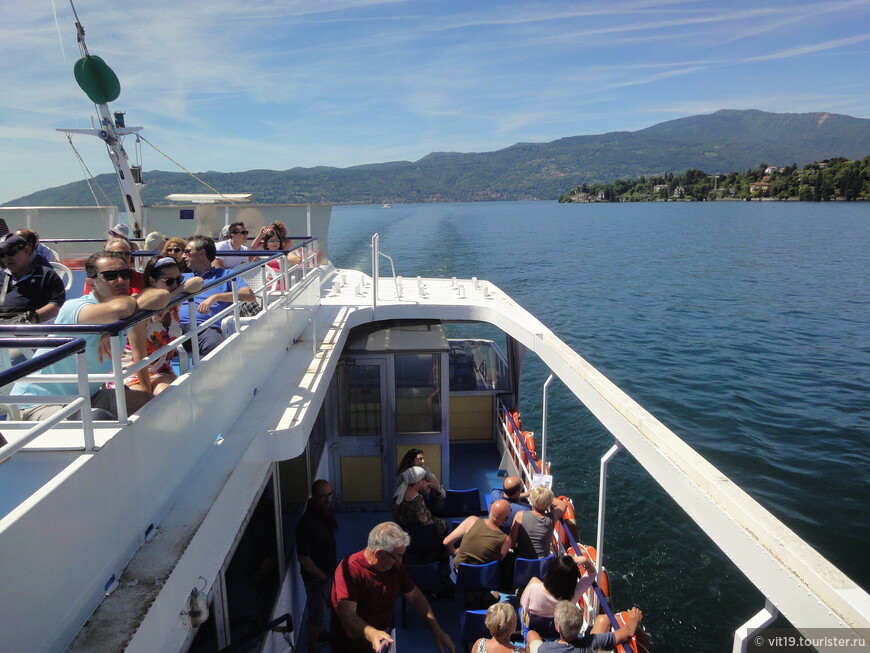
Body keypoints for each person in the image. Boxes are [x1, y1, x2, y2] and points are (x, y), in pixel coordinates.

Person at [11, 250, 170, 421]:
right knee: (98, 419)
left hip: (86, 396)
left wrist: (115, 321)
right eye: (110, 275)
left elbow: (162, 294)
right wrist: (124, 312)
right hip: (37, 402)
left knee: (149, 404)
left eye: (125, 274)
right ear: (91, 283)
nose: (120, 280)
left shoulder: (126, 310)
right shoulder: (75, 308)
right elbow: (120, 309)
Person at [331, 521, 455, 653]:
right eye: (398, 556)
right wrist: (372, 634)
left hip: (383, 642)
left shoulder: (395, 566)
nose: (400, 561)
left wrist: (436, 629)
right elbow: (347, 616)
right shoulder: (350, 571)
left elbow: (415, 597)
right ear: (378, 554)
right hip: (353, 648)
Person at [124, 256, 203, 395]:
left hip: (161, 371)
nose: (175, 284)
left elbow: (198, 281)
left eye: (178, 280)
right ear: (152, 280)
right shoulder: (140, 305)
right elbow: (139, 359)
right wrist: (146, 392)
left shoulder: (173, 304)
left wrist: (171, 297)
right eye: (169, 281)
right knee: (140, 403)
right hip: (133, 372)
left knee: (167, 398)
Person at [179, 235, 256, 357]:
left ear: (202, 253)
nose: (183, 256)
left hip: (204, 329)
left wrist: (216, 297)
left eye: (187, 251)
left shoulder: (226, 275)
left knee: (214, 348)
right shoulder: (183, 278)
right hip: (177, 328)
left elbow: (249, 295)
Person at [297, 479, 338, 652]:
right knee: (316, 616)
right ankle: (312, 649)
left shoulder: (323, 514)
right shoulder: (306, 523)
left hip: (326, 574)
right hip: (316, 580)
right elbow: (304, 558)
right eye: (323, 496)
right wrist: (322, 577)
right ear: (314, 497)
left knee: (323, 611)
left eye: (330, 495)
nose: (328, 500)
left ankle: (321, 635)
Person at [526, 601, 643, 653]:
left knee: (531, 634)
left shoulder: (545, 649)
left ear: (559, 628)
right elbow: (628, 632)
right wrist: (634, 619)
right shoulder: (592, 643)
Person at [0, 234, 65, 324]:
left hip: (31, 330)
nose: (6, 258)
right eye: (2, 255)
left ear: (26, 251)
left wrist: (33, 318)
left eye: (11, 252)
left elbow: (57, 304)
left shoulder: (47, 275)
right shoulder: (1, 276)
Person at [520, 555, 597, 624]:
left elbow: (522, 604)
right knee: (535, 580)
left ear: (551, 572)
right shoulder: (574, 595)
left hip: (533, 628)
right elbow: (592, 575)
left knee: (534, 580)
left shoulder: (533, 589)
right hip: (554, 631)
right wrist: (585, 561)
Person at [444, 499, 512, 569]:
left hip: (459, 573)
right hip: (483, 576)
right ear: (506, 519)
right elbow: (500, 559)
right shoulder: (506, 540)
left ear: (490, 507)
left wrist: (454, 552)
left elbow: (446, 542)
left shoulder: (471, 520)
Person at [510, 485, 567, 560]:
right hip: (543, 562)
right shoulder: (551, 518)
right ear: (548, 502)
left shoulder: (520, 515)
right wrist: (546, 497)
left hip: (523, 563)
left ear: (532, 499)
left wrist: (538, 496)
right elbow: (563, 505)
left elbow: (512, 543)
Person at [392, 466, 446, 537]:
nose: (426, 481)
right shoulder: (417, 499)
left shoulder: (399, 494)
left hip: (404, 528)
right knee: (443, 524)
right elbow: (425, 523)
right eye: (424, 479)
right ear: (417, 482)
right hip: (418, 531)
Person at [397, 448, 446, 514]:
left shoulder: (423, 468)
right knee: (425, 491)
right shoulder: (405, 474)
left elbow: (436, 484)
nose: (423, 461)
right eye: (420, 459)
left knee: (433, 490)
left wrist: (428, 484)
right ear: (412, 460)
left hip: (422, 496)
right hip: (407, 501)